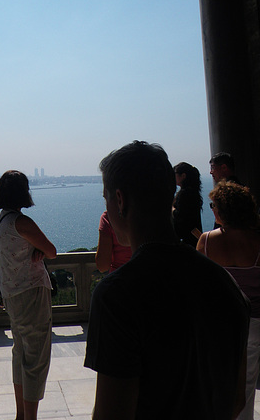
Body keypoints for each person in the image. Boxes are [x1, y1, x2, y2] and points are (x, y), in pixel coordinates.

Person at [85, 141, 250, 420]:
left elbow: (112, 413)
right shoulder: (225, 284)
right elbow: (236, 401)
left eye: (107, 200)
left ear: (120, 200)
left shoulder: (118, 295)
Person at [0, 170, 56, 420]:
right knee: (36, 359)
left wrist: (36, 250)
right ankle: (30, 417)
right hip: (31, 293)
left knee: (21, 354)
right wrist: (39, 250)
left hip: (12, 293)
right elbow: (51, 251)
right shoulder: (22, 221)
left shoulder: (2, 220)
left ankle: (21, 414)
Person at [197, 181, 260, 420]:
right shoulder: (257, 241)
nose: (212, 209)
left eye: (214, 205)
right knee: (246, 385)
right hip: (254, 322)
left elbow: (198, 284)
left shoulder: (207, 240)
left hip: (219, 324)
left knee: (220, 384)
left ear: (223, 210)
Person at [172, 161, 203, 247]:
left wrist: (172, 208)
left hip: (188, 239)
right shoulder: (193, 192)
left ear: (183, 176)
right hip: (194, 236)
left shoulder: (185, 193)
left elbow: (180, 216)